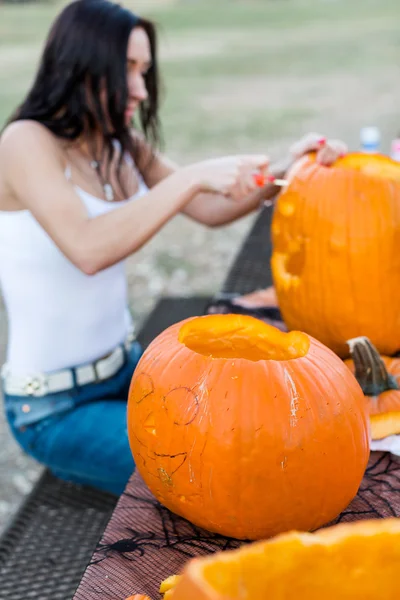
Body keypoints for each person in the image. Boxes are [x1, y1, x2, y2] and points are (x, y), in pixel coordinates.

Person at [0, 0, 347, 496]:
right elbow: (87, 248)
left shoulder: (119, 144)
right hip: (55, 408)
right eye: (127, 70)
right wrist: (189, 178)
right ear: (80, 65)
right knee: (212, 475)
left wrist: (290, 167)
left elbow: (210, 211)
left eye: (145, 70)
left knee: (259, 437)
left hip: (129, 368)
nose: (140, 90)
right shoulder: (24, 142)